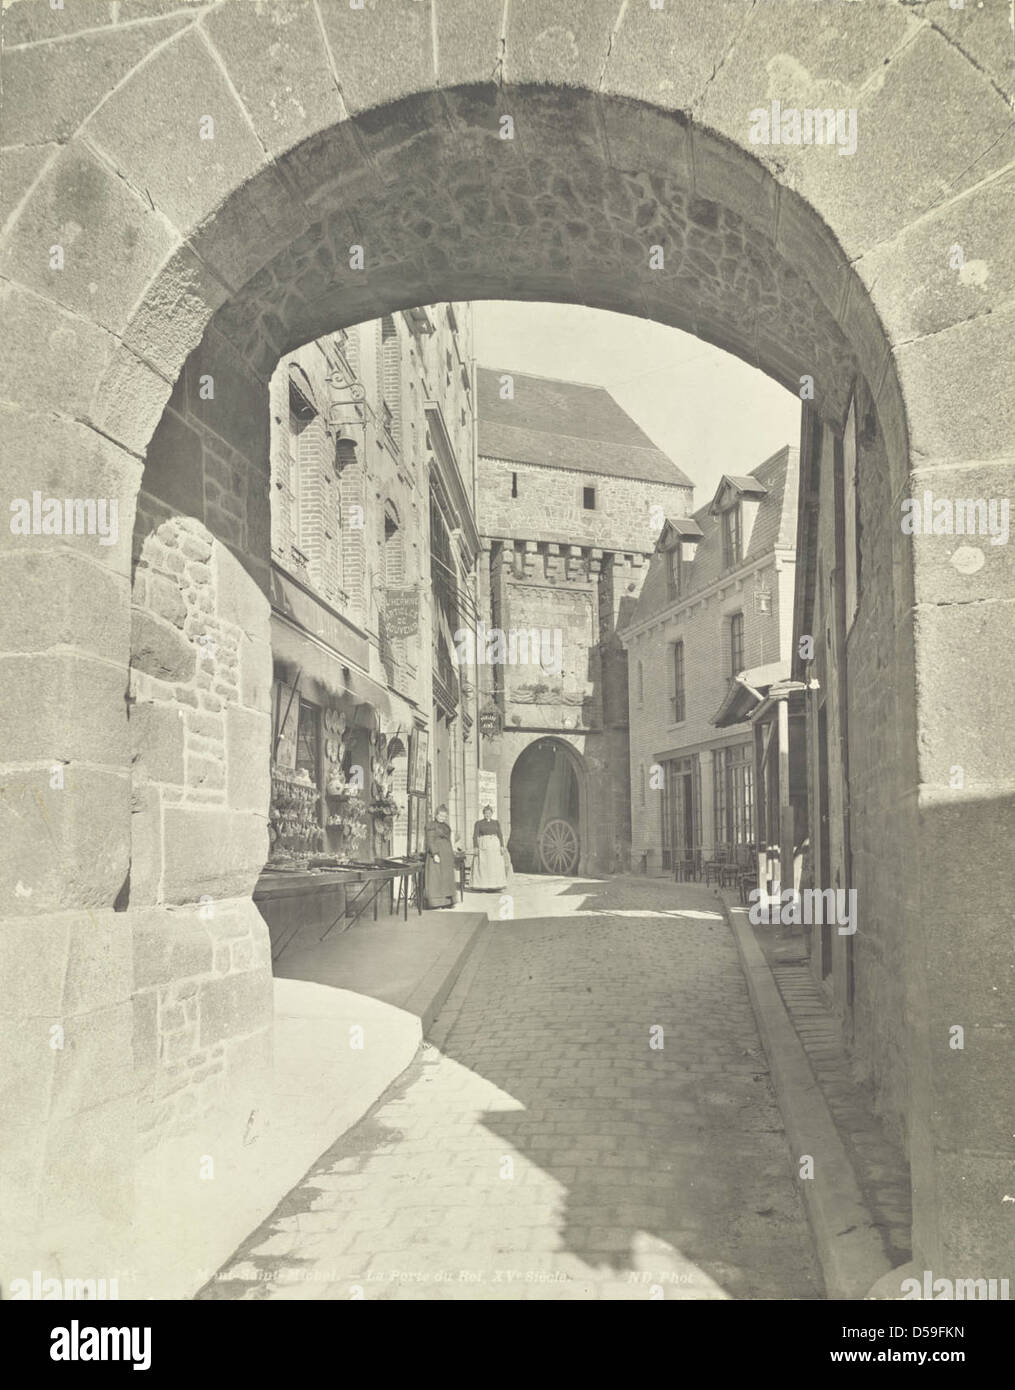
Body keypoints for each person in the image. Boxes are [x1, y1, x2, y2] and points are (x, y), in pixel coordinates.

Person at [424, 804, 456, 909]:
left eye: (444, 816)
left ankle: (447, 902)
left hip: (446, 855)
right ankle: (437, 902)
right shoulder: (431, 825)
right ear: (436, 815)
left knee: (446, 878)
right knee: (436, 878)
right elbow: (430, 840)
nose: (442, 818)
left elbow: (449, 840)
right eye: (441, 815)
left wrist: (452, 852)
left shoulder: (446, 826)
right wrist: (435, 854)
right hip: (437, 854)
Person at [471, 804, 507, 891]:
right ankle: (483, 886)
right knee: (484, 866)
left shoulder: (496, 823)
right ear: (483, 813)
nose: (488, 814)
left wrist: (502, 846)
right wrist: (476, 847)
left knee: (494, 866)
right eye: (486, 813)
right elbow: (475, 836)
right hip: (484, 846)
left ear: (492, 813)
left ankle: (495, 885)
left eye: (489, 813)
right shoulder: (479, 823)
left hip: (495, 846)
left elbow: (500, 835)